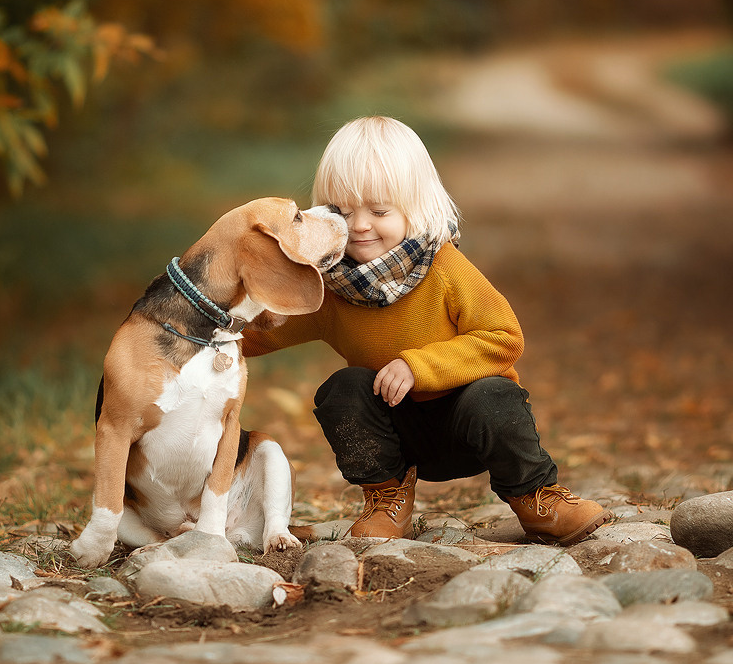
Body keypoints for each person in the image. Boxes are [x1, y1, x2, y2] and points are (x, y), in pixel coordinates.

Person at [242, 116, 608, 545]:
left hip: (468, 425)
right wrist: (196, 330)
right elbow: (258, 333)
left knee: (493, 396)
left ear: (415, 208)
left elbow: (503, 336)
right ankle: (386, 498)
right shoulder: (330, 287)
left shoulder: (444, 267)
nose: (359, 225)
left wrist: (418, 366)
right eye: (342, 211)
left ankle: (536, 497)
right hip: (395, 437)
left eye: (379, 211)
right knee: (344, 388)